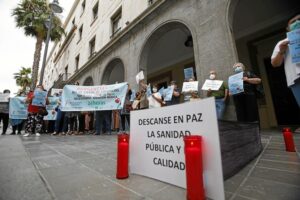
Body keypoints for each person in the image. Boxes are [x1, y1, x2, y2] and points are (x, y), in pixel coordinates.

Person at [271, 14, 300, 132]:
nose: (297, 22)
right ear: (288, 28)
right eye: (294, 21)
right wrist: (282, 51)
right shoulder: (282, 43)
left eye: (299, 20)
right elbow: (275, 63)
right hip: (296, 78)